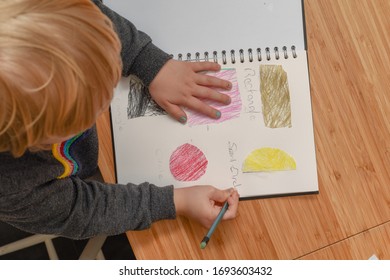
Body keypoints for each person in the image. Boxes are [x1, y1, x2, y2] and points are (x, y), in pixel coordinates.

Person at [0, 0, 239, 239]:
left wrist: (148, 62)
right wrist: (175, 201)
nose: (105, 108)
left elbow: (88, 15)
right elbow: (79, 210)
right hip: (71, 183)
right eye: (87, 113)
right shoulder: (10, 187)